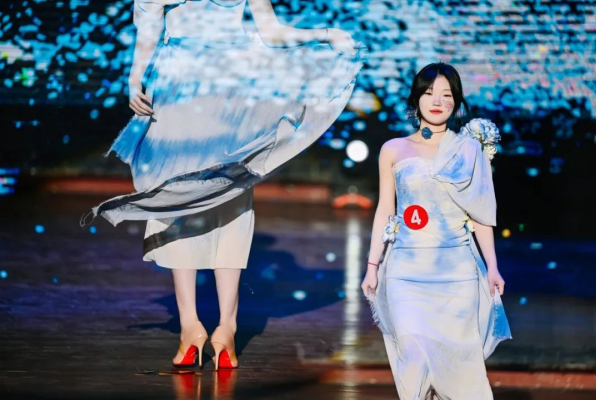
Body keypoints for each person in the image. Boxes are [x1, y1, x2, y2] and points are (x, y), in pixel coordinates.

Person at [89, 0, 363, 370]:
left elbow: (150, 23)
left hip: (181, 91)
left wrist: (135, 79)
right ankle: (226, 330)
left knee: (178, 201)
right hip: (231, 91)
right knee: (230, 198)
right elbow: (272, 34)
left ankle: (190, 328)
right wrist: (328, 35)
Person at [362, 63, 511, 399]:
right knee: (413, 355)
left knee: (458, 363)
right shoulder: (393, 149)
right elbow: (386, 209)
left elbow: (481, 215)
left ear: (456, 103)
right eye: (429, 93)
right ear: (417, 99)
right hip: (405, 270)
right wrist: (372, 265)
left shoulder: (469, 151)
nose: (437, 101)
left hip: (456, 274)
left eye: (446, 95)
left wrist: (492, 267)